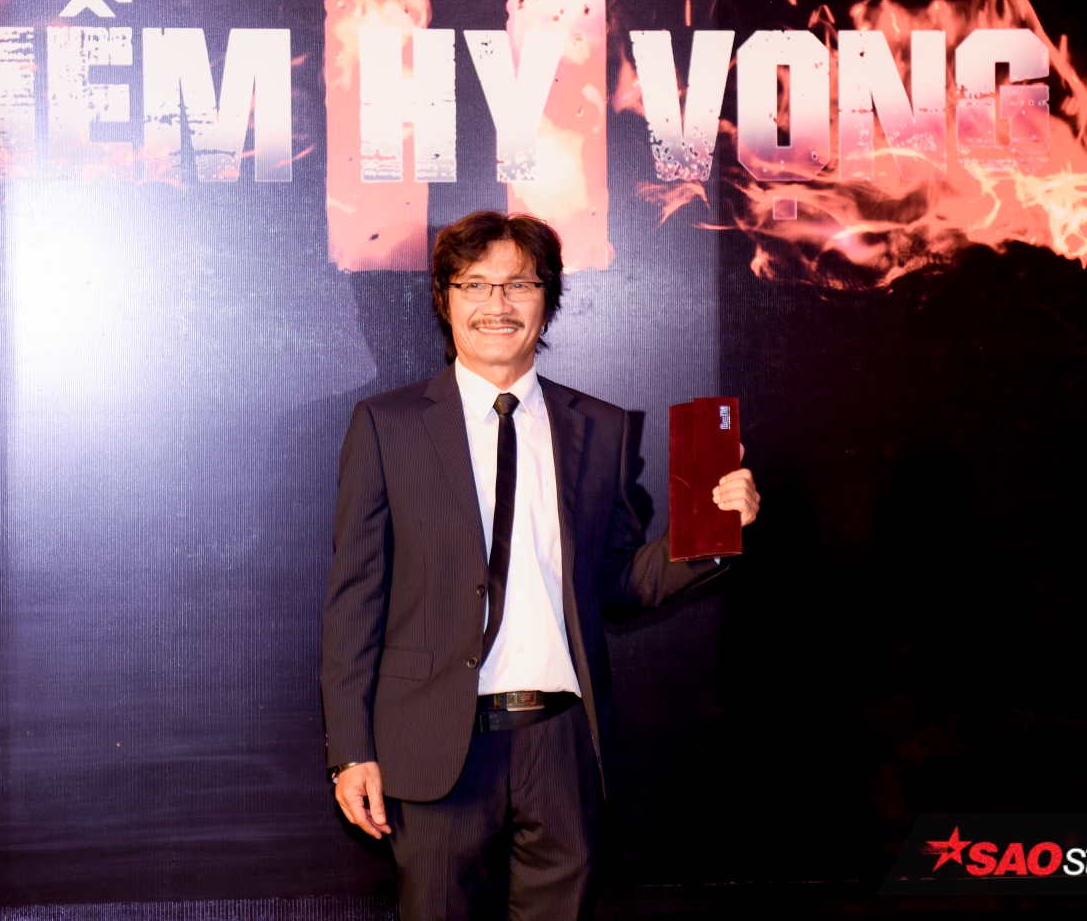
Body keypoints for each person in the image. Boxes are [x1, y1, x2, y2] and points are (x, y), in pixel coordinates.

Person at [321, 211, 760, 920]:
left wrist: (710, 532)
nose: (497, 304)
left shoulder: (600, 427)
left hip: (563, 746)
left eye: (519, 284)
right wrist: (351, 751)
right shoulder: (387, 425)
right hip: (435, 745)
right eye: (475, 284)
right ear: (445, 299)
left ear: (547, 301)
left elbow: (616, 585)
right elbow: (354, 604)